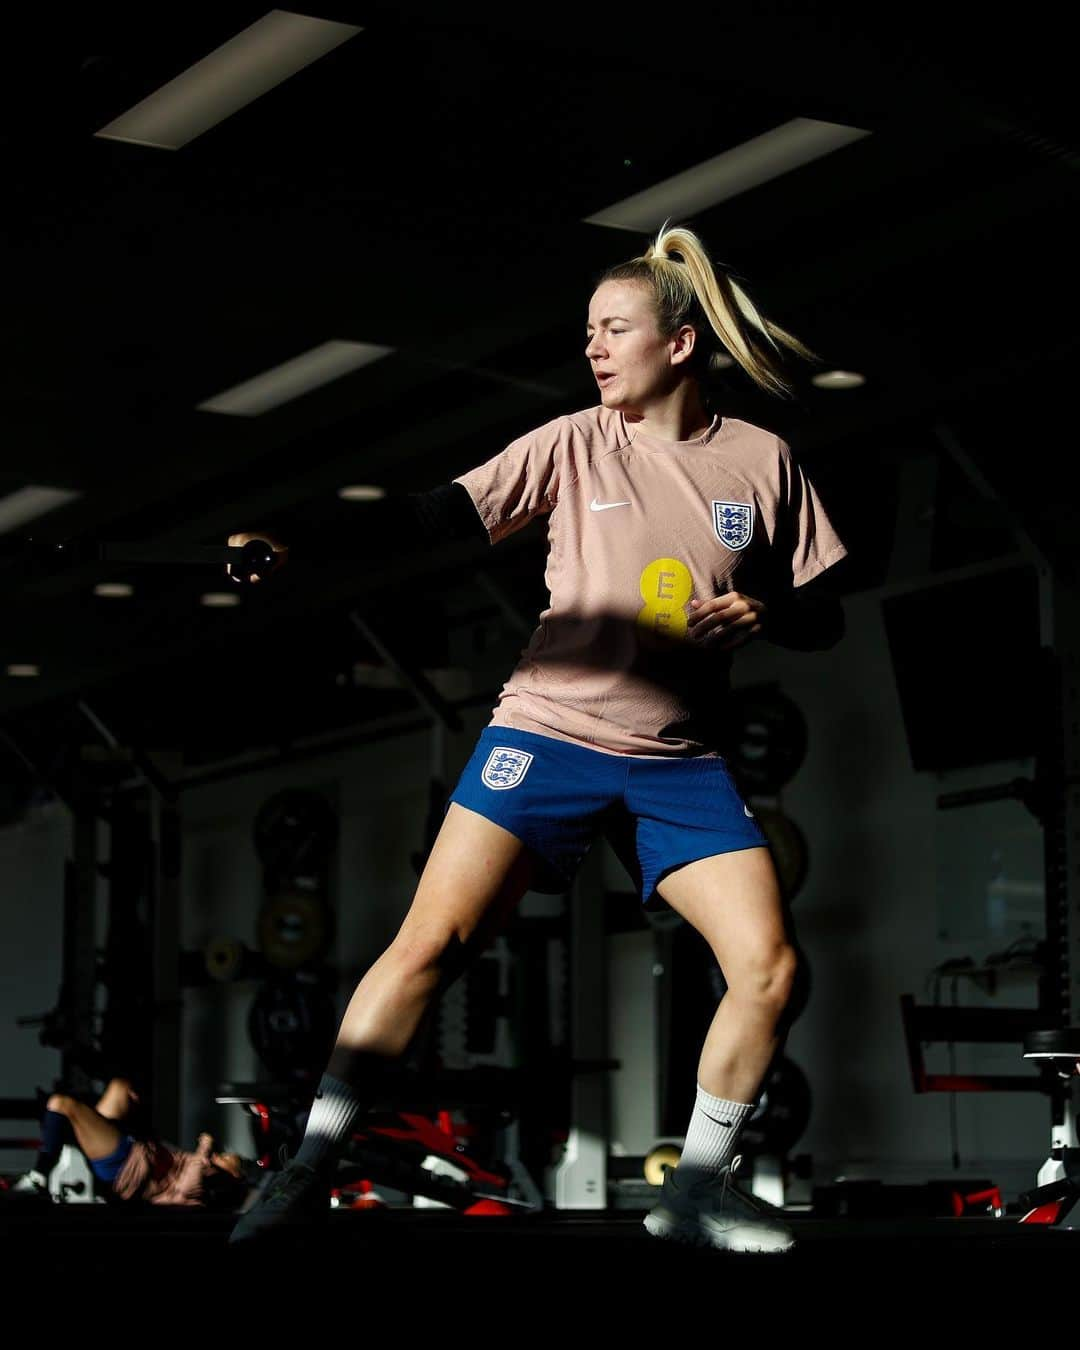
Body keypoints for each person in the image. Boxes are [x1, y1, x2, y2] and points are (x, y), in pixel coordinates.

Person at [227, 221, 848, 1253]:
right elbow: (433, 518)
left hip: (678, 760)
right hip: (548, 735)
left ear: (680, 344)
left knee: (771, 967)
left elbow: (827, 608)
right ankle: (308, 1165)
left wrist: (769, 610)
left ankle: (695, 1191)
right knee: (431, 946)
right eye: (589, 332)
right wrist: (298, 536)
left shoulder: (761, 461)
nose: (595, 348)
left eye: (616, 329)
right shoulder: (571, 442)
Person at [9, 1076, 252, 1211]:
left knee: (61, 1104)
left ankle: (38, 1176)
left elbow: (187, 1185)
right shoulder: (204, 1168)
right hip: (135, 1147)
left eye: (226, 1160)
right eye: (223, 1155)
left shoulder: (201, 1194)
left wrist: (204, 1149)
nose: (221, 1157)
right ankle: (70, 1128)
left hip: (123, 1167)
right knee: (120, 1087)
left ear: (232, 1176)